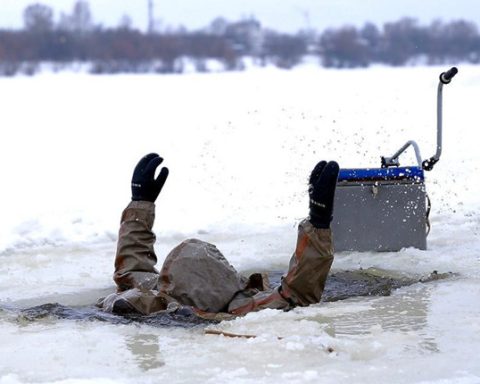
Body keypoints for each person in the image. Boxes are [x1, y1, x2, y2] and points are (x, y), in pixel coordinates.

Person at [97, 153, 340, 320]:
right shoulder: (242, 308)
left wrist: (140, 202)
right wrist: (318, 222)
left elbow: (131, 271)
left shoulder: (158, 298)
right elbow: (296, 295)